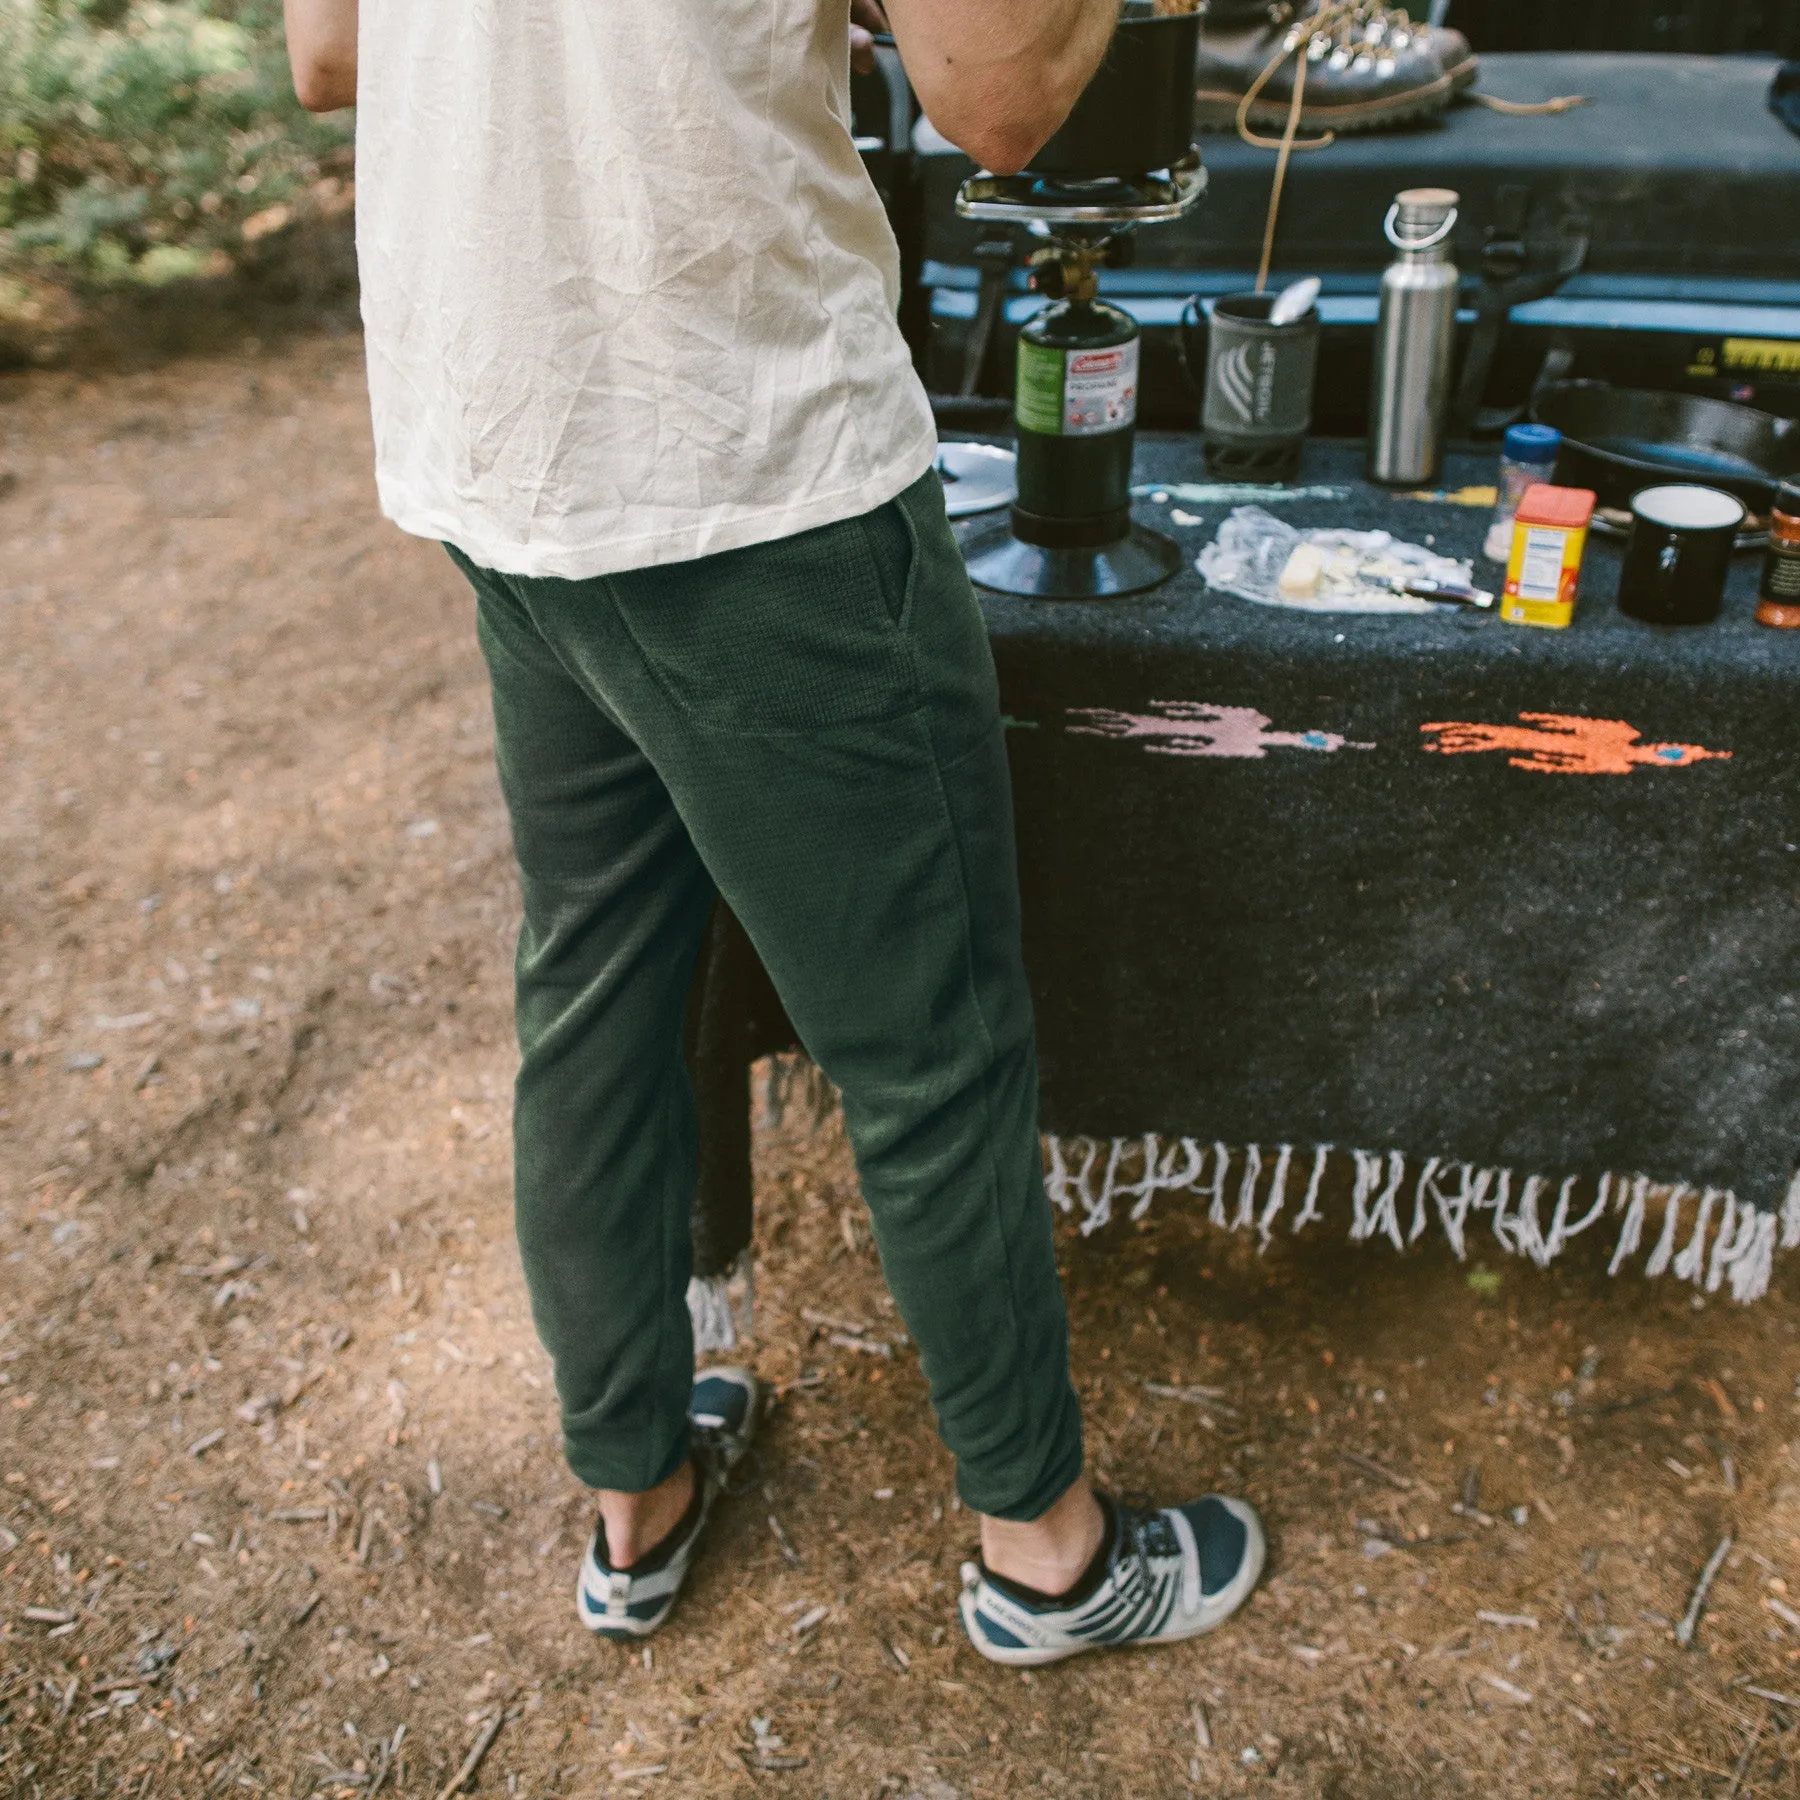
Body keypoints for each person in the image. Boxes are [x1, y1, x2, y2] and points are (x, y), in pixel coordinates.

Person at [283, 0, 1264, 1665]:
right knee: (926, 1044)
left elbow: (330, 54)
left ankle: (635, 1505)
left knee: (592, 1005)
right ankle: (1049, 1552)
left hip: (506, 453)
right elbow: (1004, 97)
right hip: (742, 462)